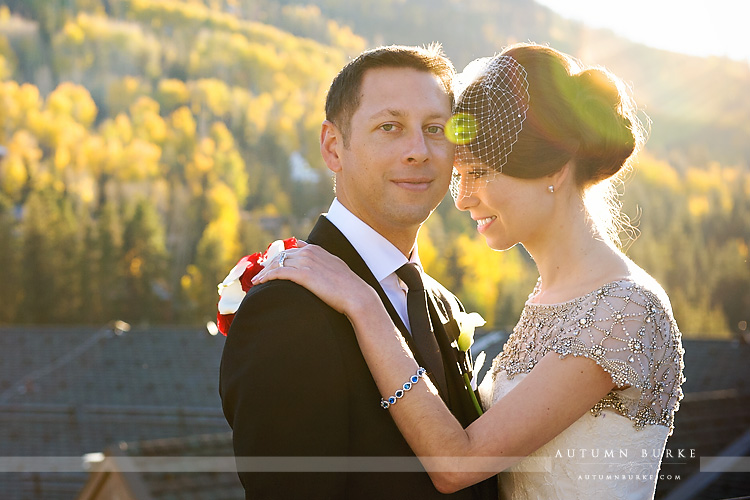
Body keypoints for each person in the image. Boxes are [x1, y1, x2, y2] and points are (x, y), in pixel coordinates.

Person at [253, 43, 685, 499]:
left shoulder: (624, 309)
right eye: (461, 175)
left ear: (553, 167)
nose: (463, 198)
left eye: (479, 172)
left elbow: (457, 465)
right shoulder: (549, 297)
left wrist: (363, 303)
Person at [220, 44, 497, 499]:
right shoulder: (285, 309)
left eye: (435, 129)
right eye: (390, 127)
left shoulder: (443, 305)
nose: (418, 151)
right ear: (334, 147)